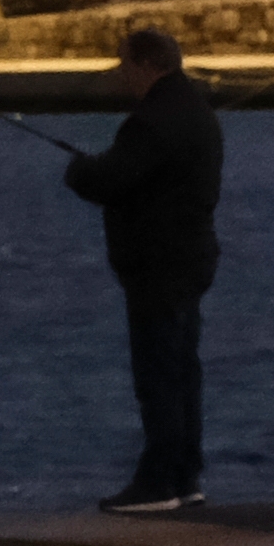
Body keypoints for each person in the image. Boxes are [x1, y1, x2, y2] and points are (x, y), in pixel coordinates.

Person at [64, 28, 226, 510]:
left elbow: (110, 179)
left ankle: (158, 482)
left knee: (157, 373)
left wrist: (78, 170)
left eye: (124, 66)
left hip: (159, 264)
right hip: (193, 257)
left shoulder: (151, 121)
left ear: (145, 65)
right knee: (183, 371)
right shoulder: (197, 111)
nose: (121, 76)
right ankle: (185, 475)